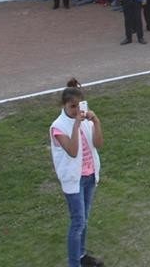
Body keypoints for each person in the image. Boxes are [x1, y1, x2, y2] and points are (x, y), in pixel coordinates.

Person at [49, 78, 104, 267]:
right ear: (64, 105)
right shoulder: (58, 127)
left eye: (79, 106)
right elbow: (72, 152)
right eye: (72, 107)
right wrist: (76, 125)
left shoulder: (86, 120)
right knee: (78, 222)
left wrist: (96, 121)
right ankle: (75, 263)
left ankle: (81, 255)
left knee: (84, 220)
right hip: (74, 180)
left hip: (89, 176)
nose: (76, 111)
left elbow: (98, 144)